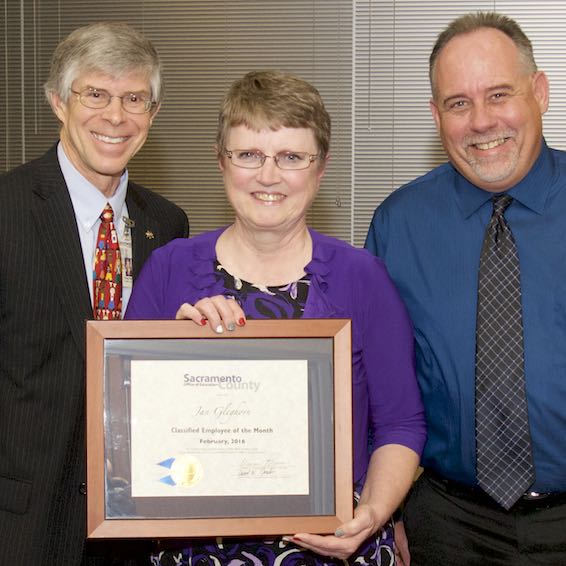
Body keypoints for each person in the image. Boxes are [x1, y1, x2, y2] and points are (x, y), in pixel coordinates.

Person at [126, 70, 426, 565]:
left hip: (334, 548)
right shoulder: (168, 271)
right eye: (248, 155)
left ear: (321, 167)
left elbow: (400, 425)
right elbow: (124, 426)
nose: (269, 176)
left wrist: (372, 513)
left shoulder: (363, 278)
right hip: (195, 550)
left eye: (291, 157)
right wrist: (170, 360)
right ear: (221, 163)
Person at [365, 11, 566, 566]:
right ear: (436, 116)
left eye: (499, 94)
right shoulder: (398, 224)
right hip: (448, 522)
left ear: (540, 92)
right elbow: (372, 384)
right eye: (458, 103)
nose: (481, 121)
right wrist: (389, 508)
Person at [0, 22, 188, 566]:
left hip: (135, 527)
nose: (115, 116)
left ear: (153, 113)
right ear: (58, 101)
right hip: (21, 525)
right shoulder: (7, 209)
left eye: (134, 98)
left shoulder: (168, 225)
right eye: (96, 94)